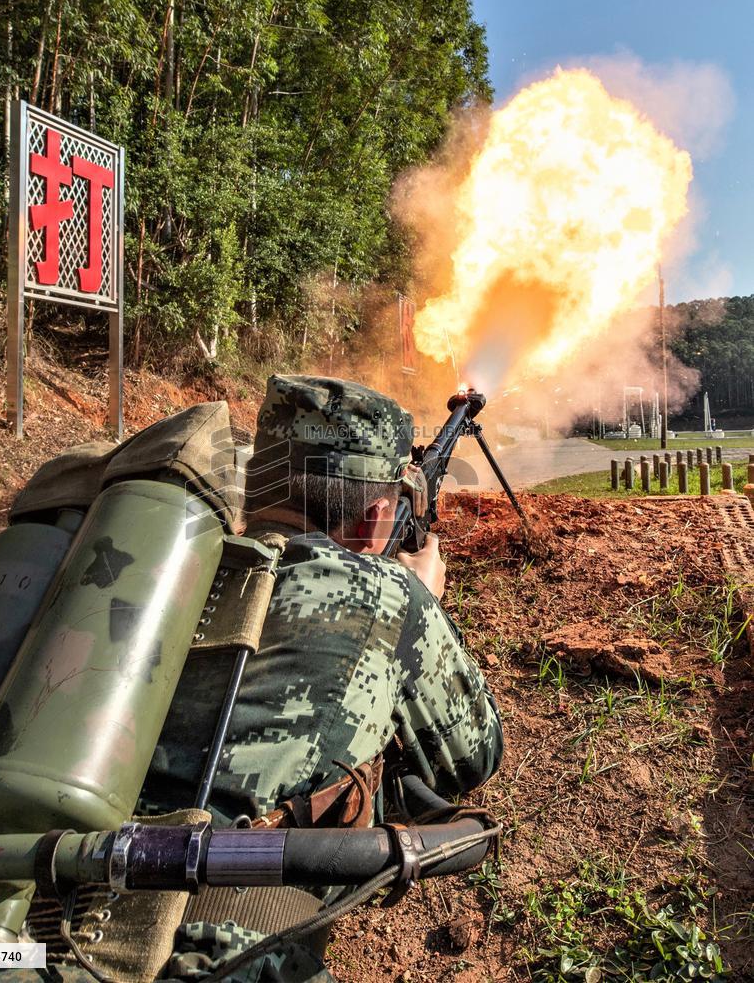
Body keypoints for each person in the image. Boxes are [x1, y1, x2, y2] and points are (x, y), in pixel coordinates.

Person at [163, 375, 504, 981]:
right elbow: (473, 758)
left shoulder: (171, 564)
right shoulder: (388, 595)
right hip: (215, 957)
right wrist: (417, 601)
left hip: (8, 936)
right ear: (377, 518)